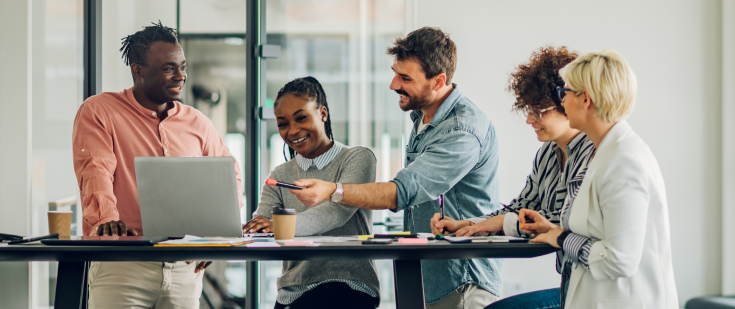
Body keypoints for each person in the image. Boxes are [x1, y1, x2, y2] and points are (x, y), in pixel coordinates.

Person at [284, 27, 503, 309]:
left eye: (405, 78)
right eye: (395, 73)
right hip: (428, 277)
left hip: (462, 283)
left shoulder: (462, 130)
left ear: (438, 81)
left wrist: (332, 190)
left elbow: (403, 192)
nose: (393, 84)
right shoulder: (423, 118)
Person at [72, 21, 243, 308]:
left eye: (182, 66)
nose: (180, 76)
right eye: (168, 68)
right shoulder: (100, 111)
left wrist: (216, 234)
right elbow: (95, 170)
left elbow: (229, 177)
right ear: (137, 70)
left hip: (185, 269)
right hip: (123, 266)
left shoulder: (197, 122)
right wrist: (106, 219)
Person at [430, 46, 594, 309]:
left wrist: (489, 225)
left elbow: (560, 223)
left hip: (592, 290)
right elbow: (521, 209)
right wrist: (470, 224)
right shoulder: (548, 154)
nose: (529, 119)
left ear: (567, 103)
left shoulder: (592, 154)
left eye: (539, 111)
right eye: (528, 110)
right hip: (571, 284)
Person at [522, 51, 679, 309]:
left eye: (565, 94)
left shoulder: (624, 161)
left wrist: (561, 238)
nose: (562, 102)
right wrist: (554, 231)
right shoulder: (604, 152)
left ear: (585, 98)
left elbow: (619, 259)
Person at [241, 77, 380, 309]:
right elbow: (262, 224)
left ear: (323, 113)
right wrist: (253, 228)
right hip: (291, 293)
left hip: (348, 284)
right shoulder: (281, 174)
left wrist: (281, 226)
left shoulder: (358, 158)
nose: (293, 131)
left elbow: (337, 212)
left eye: (301, 118)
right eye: (283, 123)